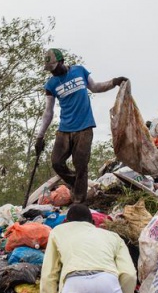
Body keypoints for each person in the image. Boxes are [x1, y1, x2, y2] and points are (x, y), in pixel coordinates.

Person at [34, 48, 128, 204]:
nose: (53, 72)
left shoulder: (79, 71)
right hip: (64, 129)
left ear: (62, 61)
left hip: (84, 127)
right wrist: (40, 136)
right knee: (56, 162)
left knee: (81, 165)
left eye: (54, 68)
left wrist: (114, 82)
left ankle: (79, 203)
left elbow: (96, 87)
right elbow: (48, 112)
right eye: (50, 70)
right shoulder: (50, 85)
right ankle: (77, 184)